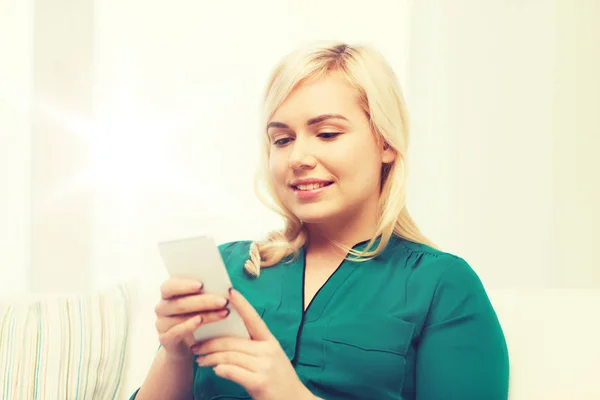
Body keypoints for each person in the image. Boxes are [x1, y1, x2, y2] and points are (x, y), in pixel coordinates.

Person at [131, 41, 509, 400]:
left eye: (326, 134)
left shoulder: (442, 286)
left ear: (386, 143)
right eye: (281, 140)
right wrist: (175, 355)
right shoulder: (227, 269)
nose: (298, 157)